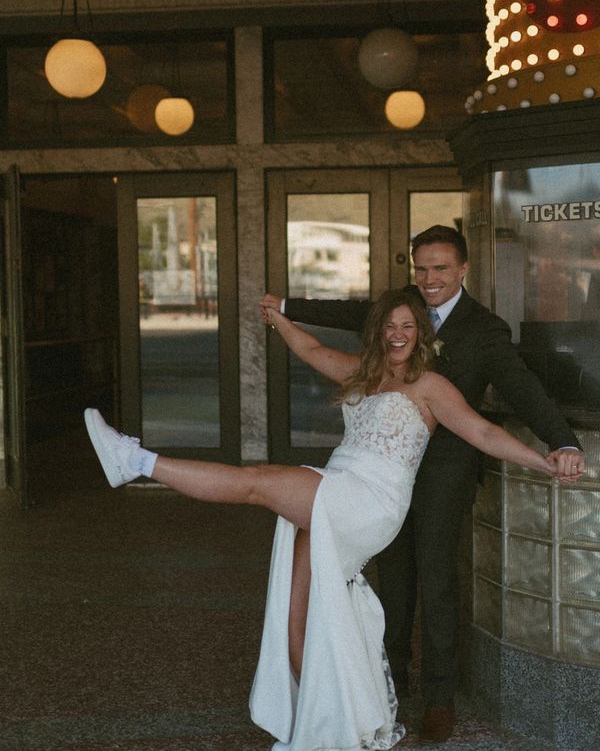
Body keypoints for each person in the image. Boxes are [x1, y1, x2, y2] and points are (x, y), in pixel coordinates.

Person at [84, 289, 583, 751]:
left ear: (420, 333)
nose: (397, 334)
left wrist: (546, 460)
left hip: (370, 500)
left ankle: (135, 461)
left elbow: (482, 433)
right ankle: (321, 726)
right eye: (389, 325)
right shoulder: (365, 375)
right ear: (379, 331)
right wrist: (279, 319)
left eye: (407, 325)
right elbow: (312, 351)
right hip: (336, 486)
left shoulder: (429, 386)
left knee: (256, 481)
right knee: (295, 618)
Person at [260, 224, 584, 744]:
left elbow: (523, 389)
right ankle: (388, 674)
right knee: (394, 574)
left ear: (462, 271)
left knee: (435, 578)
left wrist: (563, 441)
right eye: (421, 268)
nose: (429, 279)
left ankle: (439, 698)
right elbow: (349, 313)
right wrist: (289, 304)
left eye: (440, 269)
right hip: (381, 471)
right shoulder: (401, 308)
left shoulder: (485, 328)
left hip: (443, 471)